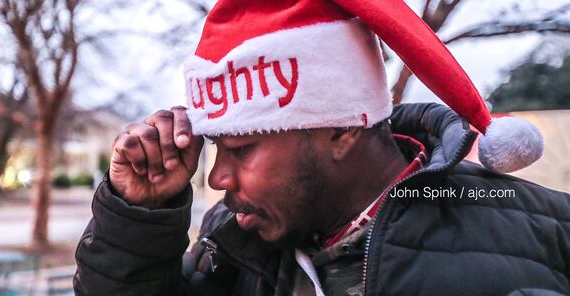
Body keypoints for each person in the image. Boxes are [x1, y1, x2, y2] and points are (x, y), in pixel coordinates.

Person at [74, 0, 570, 295]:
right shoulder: (230, 241)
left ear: (340, 129)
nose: (217, 178)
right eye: (216, 148)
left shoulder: (542, 236)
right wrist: (138, 220)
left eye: (240, 149)